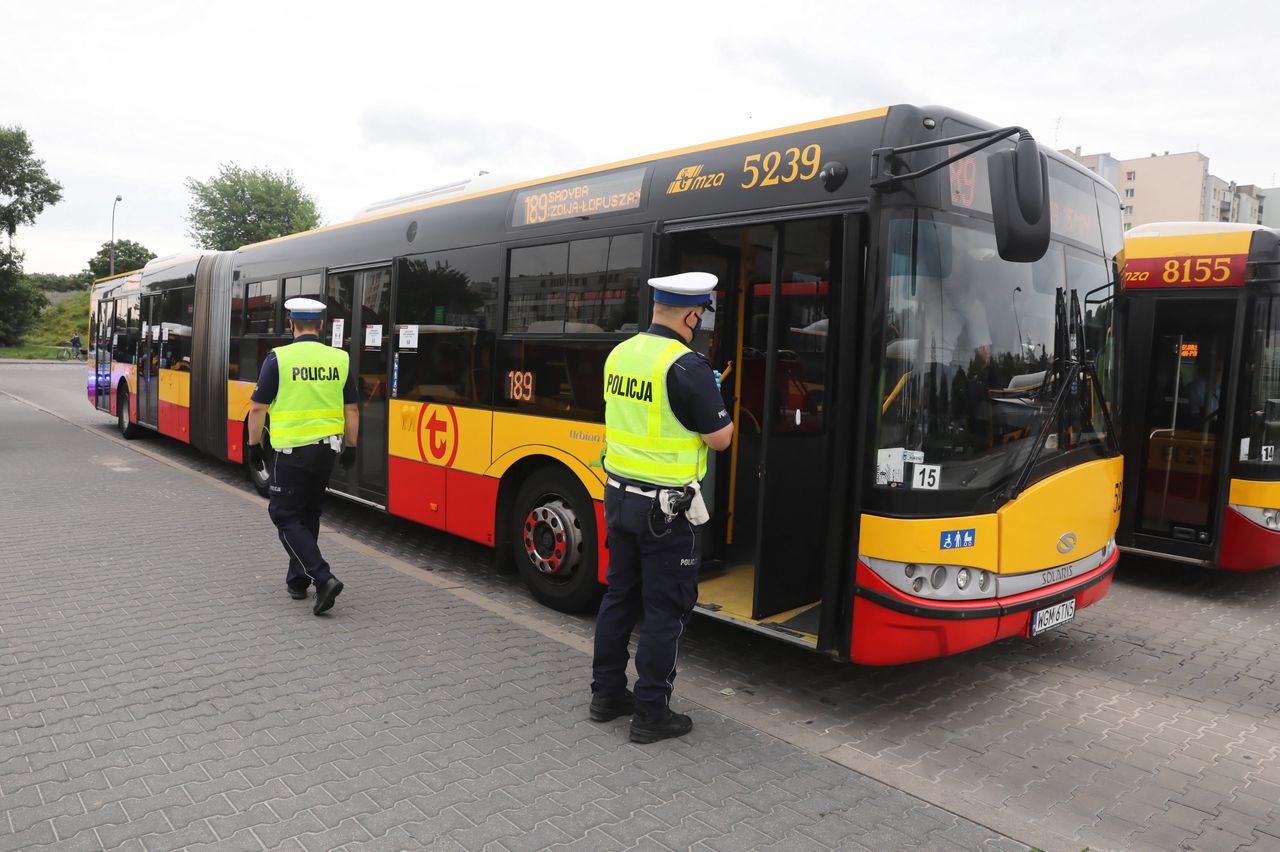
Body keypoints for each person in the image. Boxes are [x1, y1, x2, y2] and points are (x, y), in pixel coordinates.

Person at [590, 272, 734, 744]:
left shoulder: (621, 353)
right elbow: (721, 439)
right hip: (665, 512)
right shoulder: (686, 365)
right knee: (664, 611)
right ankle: (651, 713)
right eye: (700, 316)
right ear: (692, 314)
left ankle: (607, 696)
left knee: (618, 598)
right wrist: (712, 395)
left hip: (619, 496)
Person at [246, 297, 359, 615]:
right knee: (308, 515)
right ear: (321, 326)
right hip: (327, 450)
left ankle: (323, 578)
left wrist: (254, 447)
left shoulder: (278, 358)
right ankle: (298, 581)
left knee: (283, 514)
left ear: (291, 325)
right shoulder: (340, 359)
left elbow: (258, 408)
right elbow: (351, 408)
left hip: (291, 451)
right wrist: (351, 446)